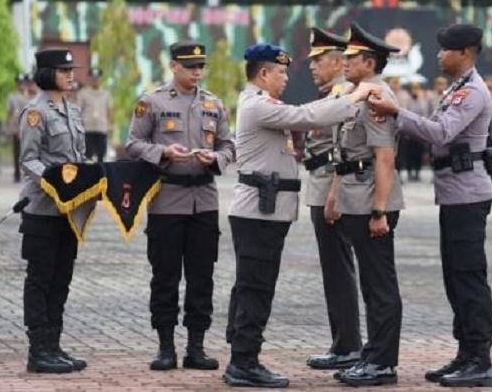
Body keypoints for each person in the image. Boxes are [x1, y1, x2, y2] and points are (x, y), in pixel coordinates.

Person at [223, 43, 369, 388]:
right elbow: (307, 116)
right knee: (255, 288)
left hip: (265, 211)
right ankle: (243, 362)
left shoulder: (263, 103)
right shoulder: (259, 106)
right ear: (263, 74)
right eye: (281, 72)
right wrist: (354, 98)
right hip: (258, 212)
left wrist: (344, 98)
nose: (286, 78)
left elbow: (307, 110)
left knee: (253, 285)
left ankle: (243, 356)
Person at [367, 23, 492, 388]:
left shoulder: (472, 92)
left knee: (469, 277)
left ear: (465, 52)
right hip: (455, 194)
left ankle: (480, 360)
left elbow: (440, 133)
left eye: (445, 50)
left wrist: (396, 113)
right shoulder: (457, 89)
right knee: (455, 277)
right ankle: (466, 354)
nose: (439, 55)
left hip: (467, 197)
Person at [125, 42, 235, 371]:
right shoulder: (152, 102)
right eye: (189, 66)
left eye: (201, 66)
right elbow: (132, 144)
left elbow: (229, 145)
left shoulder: (214, 104)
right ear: (174, 66)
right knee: (165, 276)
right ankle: (165, 346)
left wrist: (215, 158)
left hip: (204, 200)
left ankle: (196, 347)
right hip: (167, 201)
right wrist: (163, 153)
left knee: (202, 276)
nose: (197, 72)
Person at [325, 22, 404, 387]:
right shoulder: (358, 93)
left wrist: (379, 211)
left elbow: (384, 158)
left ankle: (383, 363)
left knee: (379, 284)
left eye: (352, 57)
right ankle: (373, 356)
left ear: (369, 63)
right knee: (372, 285)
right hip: (357, 197)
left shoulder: (376, 100)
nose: (345, 61)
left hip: (373, 200)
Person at [18, 48, 87, 373]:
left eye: (71, 70)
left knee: (61, 278)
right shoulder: (35, 112)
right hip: (43, 209)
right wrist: (54, 180)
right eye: (63, 70)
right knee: (40, 279)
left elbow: (78, 157)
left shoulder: (72, 110)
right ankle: (38, 350)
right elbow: (29, 160)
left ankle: (54, 345)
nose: (70, 75)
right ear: (47, 73)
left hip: (70, 210)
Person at [302, 27, 362, 371]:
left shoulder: (343, 94)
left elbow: (343, 148)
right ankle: (343, 342)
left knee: (338, 267)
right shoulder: (333, 93)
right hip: (320, 180)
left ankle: (348, 345)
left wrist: (335, 194)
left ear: (338, 61)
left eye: (319, 60)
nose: (312, 67)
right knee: (334, 267)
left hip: (331, 185)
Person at [78, 67, 113, 162]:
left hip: (101, 129)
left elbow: (109, 111)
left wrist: (110, 127)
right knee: (87, 157)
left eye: (97, 78)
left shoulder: (106, 94)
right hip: (87, 130)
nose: (95, 80)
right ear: (89, 79)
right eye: (93, 78)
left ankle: (100, 176)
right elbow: (78, 111)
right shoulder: (83, 93)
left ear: (101, 79)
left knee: (101, 157)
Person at [8, 73, 36, 182]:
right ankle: (16, 173)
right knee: (16, 152)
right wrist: (9, 127)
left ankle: (28, 173)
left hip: (29, 128)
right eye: (19, 83)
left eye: (23, 83)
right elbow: (10, 113)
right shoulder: (12, 96)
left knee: (29, 151)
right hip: (16, 127)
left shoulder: (30, 96)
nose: (21, 85)